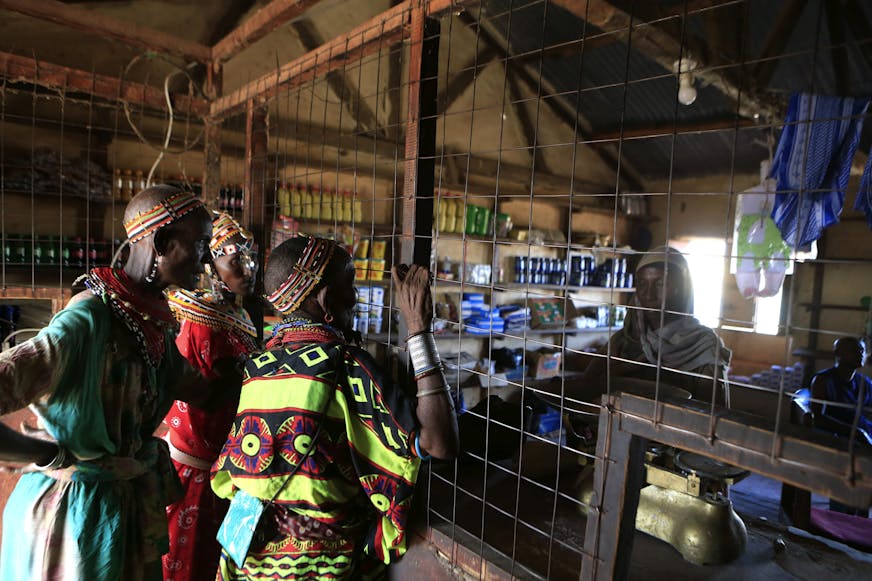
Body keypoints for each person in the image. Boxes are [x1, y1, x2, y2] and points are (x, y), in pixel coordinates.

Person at [0, 185, 238, 580]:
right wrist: (42, 454)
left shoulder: (153, 328)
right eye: (199, 245)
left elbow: (207, 392)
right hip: (72, 517)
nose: (207, 262)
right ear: (162, 242)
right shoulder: (86, 323)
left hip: (122, 511)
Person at [211, 236, 459, 580]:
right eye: (350, 285)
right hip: (316, 565)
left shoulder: (259, 364)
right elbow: (439, 442)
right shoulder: (344, 365)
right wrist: (419, 331)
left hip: (247, 559)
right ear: (327, 299)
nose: (355, 298)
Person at [162, 212, 261, 581]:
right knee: (189, 563)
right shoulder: (201, 322)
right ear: (209, 263)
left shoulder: (234, 315)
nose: (247, 269)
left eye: (250, 259)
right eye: (235, 260)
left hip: (231, 463)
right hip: (200, 464)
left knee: (225, 562)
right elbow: (198, 396)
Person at [575, 246, 732, 405]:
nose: (649, 295)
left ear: (682, 289)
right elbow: (586, 389)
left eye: (661, 284)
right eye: (642, 284)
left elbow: (714, 417)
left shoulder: (704, 346)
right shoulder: (623, 341)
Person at [810, 337, 872, 445]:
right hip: (838, 437)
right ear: (838, 353)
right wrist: (856, 433)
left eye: (862, 350)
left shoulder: (864, 382)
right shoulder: (822, 380)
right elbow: (818, 419)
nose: (860, 353)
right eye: (854, 350)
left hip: (863, 431)